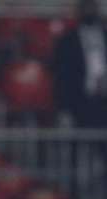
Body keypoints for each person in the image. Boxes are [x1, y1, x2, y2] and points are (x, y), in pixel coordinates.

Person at [53, 0, 107, 128]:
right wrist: (64, 109)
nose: (89, 10)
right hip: (79, 103)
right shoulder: (67, 41)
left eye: (92, 7)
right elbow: (62, 77)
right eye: (85, 7)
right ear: (78, 11)